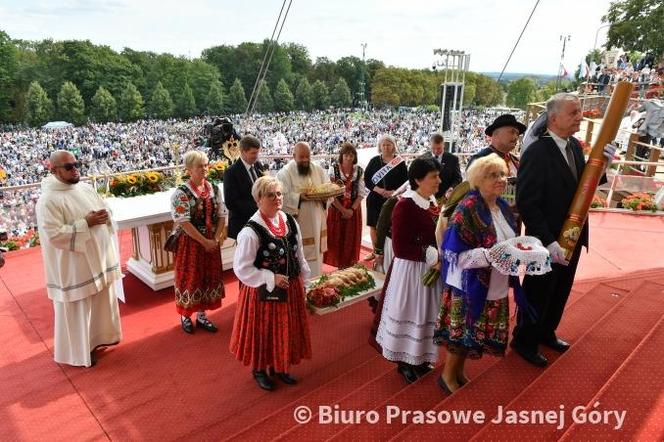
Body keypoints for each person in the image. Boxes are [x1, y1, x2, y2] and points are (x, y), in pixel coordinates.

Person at [512, 93, 616, 367]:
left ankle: (546, 331)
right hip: (547, 240)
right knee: (538, 291)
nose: (580, 117)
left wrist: (603, 166)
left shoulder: (573, 146)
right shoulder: (536, 151)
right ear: (554, 118)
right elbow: (527, 201)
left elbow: (580, 185)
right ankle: (524, 340)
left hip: (571, 234)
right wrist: (548, 241)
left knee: (560, 289)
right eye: (574, 113)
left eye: (580, 112)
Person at [433, 154, 532, 393]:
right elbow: (455, 254)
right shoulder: (466, 208)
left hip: (494, 283)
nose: (500, 179)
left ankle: (458, 371)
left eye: (502, 174)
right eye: (492, 175)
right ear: (478, 180)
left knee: (473, 331)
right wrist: (491, 255)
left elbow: (510, 242)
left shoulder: (503, 208)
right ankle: (447, 376)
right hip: (469, 284)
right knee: (463, 331)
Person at [36, 150, 122, 367]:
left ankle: (100, 339)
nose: (75, 169)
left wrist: (105, 215)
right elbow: (54, 235)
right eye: (69, 167)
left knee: (100, 303)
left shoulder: (84, 187)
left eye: (77, 164)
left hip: (98, 259)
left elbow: (105, 208)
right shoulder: (48, 200)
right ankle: (80, 351)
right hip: (75, 267)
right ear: (53, 170)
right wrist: (87, 223)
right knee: (79, 310)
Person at [229, 176, 311, 391]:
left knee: (285, 329)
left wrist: (305, 280)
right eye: (270, 195)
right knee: (264, 331)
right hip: (263, 293)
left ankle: (279, 366)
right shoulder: (250, 232)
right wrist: (270, 277)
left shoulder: (289, 220)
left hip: (290, 287)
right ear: (258, 199)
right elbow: (242, 268)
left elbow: (298, 253)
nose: (277, 198)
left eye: (279, 194)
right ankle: (259, 369)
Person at [372, 158, 443, 384]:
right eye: (434, 177)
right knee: (410, 313)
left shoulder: (429, 200)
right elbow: (400, 247)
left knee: (425, 314)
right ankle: (404, 363)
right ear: (417, 180)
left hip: (428, 268)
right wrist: (430, 254)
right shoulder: (405, 204)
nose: (439, 181)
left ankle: (419, 358)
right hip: (410, 271)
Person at [170, 150, 226, 334]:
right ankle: (185, 315)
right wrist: (204, 241)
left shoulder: (214, 189)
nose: (204, 168)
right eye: (199, 166)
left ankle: (201, 316)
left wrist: (215, 239)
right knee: (190, 278)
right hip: (191, 243)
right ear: (189, 169)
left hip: (210, 242)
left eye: (205, 164)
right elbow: (184, 222)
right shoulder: (181, 193)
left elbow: (221, 215)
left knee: (207, 277)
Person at [277, 141, 330, 278]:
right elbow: (280, 198)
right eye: (302, 157)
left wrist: (325, 198)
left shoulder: (318, 169)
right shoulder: (285, 173)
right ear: (294, 156)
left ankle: (317, 284)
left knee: (317, 258)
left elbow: (329, 190)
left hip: (318, 221)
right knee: (301, 256)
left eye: (308, 156)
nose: (306, 160)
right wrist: (299, 197)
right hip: (299, 222)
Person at [364, 135, 409, 260]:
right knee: (373, 225)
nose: (386, 147)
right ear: (380, 146)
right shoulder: (374, 161)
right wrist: (378, 190)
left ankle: (389, 253)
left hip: (392, 199)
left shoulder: (399, 162)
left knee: (390, 225)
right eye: (383, 145)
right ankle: (375, 252)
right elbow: (367, 179)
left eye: (388, 144)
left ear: (393, 146)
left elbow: (405, 181)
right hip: (375, 198)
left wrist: (394, 192)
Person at [323, 142, 367, 268]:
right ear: (341, 156)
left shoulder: (359, 171)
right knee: (336, 238)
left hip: (353, 210)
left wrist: (351, 210)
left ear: (355, 157)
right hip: (337, 209)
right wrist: (343, 210)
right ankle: (337, 266)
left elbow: (361, 193)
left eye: (351, 155)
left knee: (350, 239)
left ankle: (348, 266)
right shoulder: (334, 169)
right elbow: (331, 193)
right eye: (346, 155)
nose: (348, 158)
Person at [224, 135, 265, 240]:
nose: (256, 156)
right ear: (242, 152)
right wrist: (258, 208)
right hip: (242, 224)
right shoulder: (231, 172)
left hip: (261, 222)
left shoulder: (258, 166)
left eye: (257, 152)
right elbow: (231, 202)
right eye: (253, 153)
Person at [421, 133, 462, 201]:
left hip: (446, 198)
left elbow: (458, 178)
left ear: (443, 145)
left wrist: (452, 188)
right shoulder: (423, 159)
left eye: (439, 148)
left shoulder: (453, 159)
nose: (436, 151)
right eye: (433, 148)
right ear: (430, 145)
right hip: (427, 198)